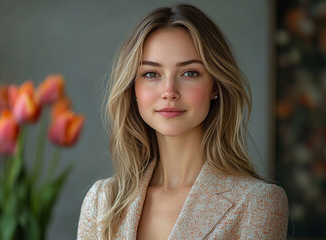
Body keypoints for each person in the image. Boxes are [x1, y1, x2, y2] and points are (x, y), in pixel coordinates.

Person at [77, 4, 289, 240]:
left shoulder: (257, 203)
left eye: (189, 73)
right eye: (151, 74)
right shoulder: (101, 202)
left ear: (215, 86)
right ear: (133, 89)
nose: (169, 91)